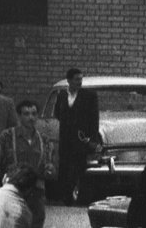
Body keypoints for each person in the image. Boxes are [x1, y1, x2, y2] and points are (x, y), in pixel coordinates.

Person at [0, 100, 58, 228]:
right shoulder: (7, 136)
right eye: (26, 114)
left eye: (34, 114)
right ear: (19, 116)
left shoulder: (44, 140)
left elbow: (51, 167)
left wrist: (50, 169)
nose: (31, 118)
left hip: (36, 194)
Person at [49, 69, 100, 205]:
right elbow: (58, 113)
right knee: (64, 166)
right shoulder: (62, 95)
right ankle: (65, 197)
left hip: (81, 138)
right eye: (76, 79)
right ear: (69, 80)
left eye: (81, 79)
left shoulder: (89, 96)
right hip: (65, 138)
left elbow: (94, 119)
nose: (79, 82)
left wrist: (92, 138)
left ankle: (80, 198)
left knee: (79, 167)